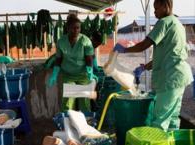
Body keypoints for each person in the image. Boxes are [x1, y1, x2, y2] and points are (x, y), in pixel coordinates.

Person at [113, 0, 193, 132]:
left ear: (165, 6)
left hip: (170, 78)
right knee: (172, 118)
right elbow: (168, 54)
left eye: (156, 9)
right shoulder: (177, 23)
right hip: (180, 76)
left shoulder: (164, 22)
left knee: (160, 120)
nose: (155, 12)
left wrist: (124, 49)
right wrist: (145, 67)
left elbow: (144, 45)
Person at [47, 14, 95, 112]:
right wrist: (54, 74)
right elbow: (58, 59)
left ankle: (86, 123)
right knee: (68, 101)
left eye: (78, 28)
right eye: (73, 28)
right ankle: (67, 121)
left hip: (83, 75)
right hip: (68, 75)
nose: (76, 30)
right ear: (68, 28)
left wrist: (90, 73)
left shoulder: (85, 41)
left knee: (84, 101)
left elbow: (89, 59)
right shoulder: (61, 42)